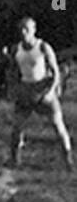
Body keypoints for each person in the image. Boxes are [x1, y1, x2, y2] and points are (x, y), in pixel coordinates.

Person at [6, 16, 72, 170]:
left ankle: (68, 159)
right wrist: (14, 89)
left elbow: (56, 72)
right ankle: (14, 160)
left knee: (57, 125)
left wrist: (51, 91)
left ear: (33, 30)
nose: (23, 32)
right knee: (16, 127)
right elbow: (13, 71)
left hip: (43, 89)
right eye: (21, 29)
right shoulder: (17, 49)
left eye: (27, 29)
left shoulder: (43, 47)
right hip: (26, 90)